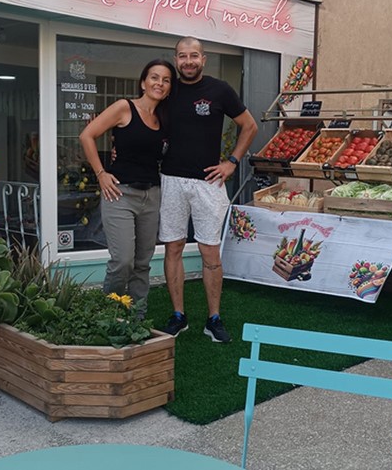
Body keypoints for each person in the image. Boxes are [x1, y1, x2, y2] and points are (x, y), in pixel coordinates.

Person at [160, 36, 258, 343]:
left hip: (209, 183)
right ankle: (179, 316)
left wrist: (231, 162)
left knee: (210, 251)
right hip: (171, 180)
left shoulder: (219, 90)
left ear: (204, 59)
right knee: (173, 248)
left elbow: (250, 125)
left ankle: (213, 319)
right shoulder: (166, 89)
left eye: (193, 56)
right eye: (182, 56)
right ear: (175, 60)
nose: (188, 61)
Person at [79, 59, 176, 318]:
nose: (160, 83)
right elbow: (87, 135)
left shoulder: (164, 118)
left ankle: (136, 318)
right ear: (143, 82)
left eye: (166, 80)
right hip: (120, 193)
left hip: (151, 196)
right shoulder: (125, 107)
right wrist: (101, 174)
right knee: (122, 261)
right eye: (154, 77)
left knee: (142, 264)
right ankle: (107, 315)